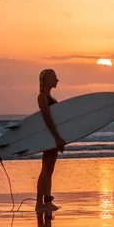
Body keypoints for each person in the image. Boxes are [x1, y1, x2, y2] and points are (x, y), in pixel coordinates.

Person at [36, 69, 65, 211]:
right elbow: (47, 119)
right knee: (45, 169)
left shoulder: (50, 97)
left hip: (52, 136)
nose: (57, 80)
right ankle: (39, 203)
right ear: (45, 79)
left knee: (50, 170)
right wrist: (56, 138)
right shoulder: (42, 97)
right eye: (54, 77)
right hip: (49, 137)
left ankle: (47, 201)